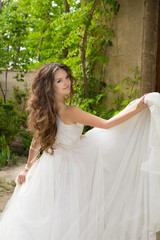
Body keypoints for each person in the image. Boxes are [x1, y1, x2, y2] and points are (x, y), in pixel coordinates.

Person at [0, 62, 160, 240]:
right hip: (73, 165)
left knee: (54, 211)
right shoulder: (70, 111)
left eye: (66, 77)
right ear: (49, 86)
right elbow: (107, 124)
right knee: (74, 211)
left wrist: (28, 168)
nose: (66, 82)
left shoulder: (44, 111)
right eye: (59, 80)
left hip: (52, 165)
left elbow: (35, 142)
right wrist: (138, 107)